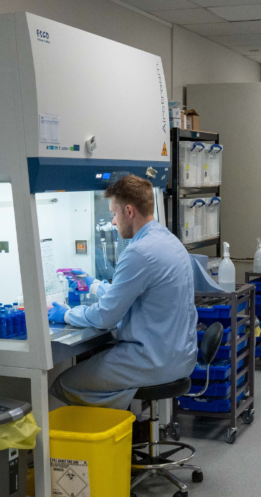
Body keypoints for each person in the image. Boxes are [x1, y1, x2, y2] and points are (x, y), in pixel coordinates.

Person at [48, 175, 197, 410]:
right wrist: (95, 284)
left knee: (63, 383)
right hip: (181, 357)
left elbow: (105, 317)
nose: (113, 222)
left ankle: (115, 434)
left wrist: (66, 314)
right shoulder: (169, 241)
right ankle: (129, 428)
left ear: (129, 211)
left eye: (114, 214)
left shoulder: (138, 252)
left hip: (153, 361)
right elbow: (134, 291)